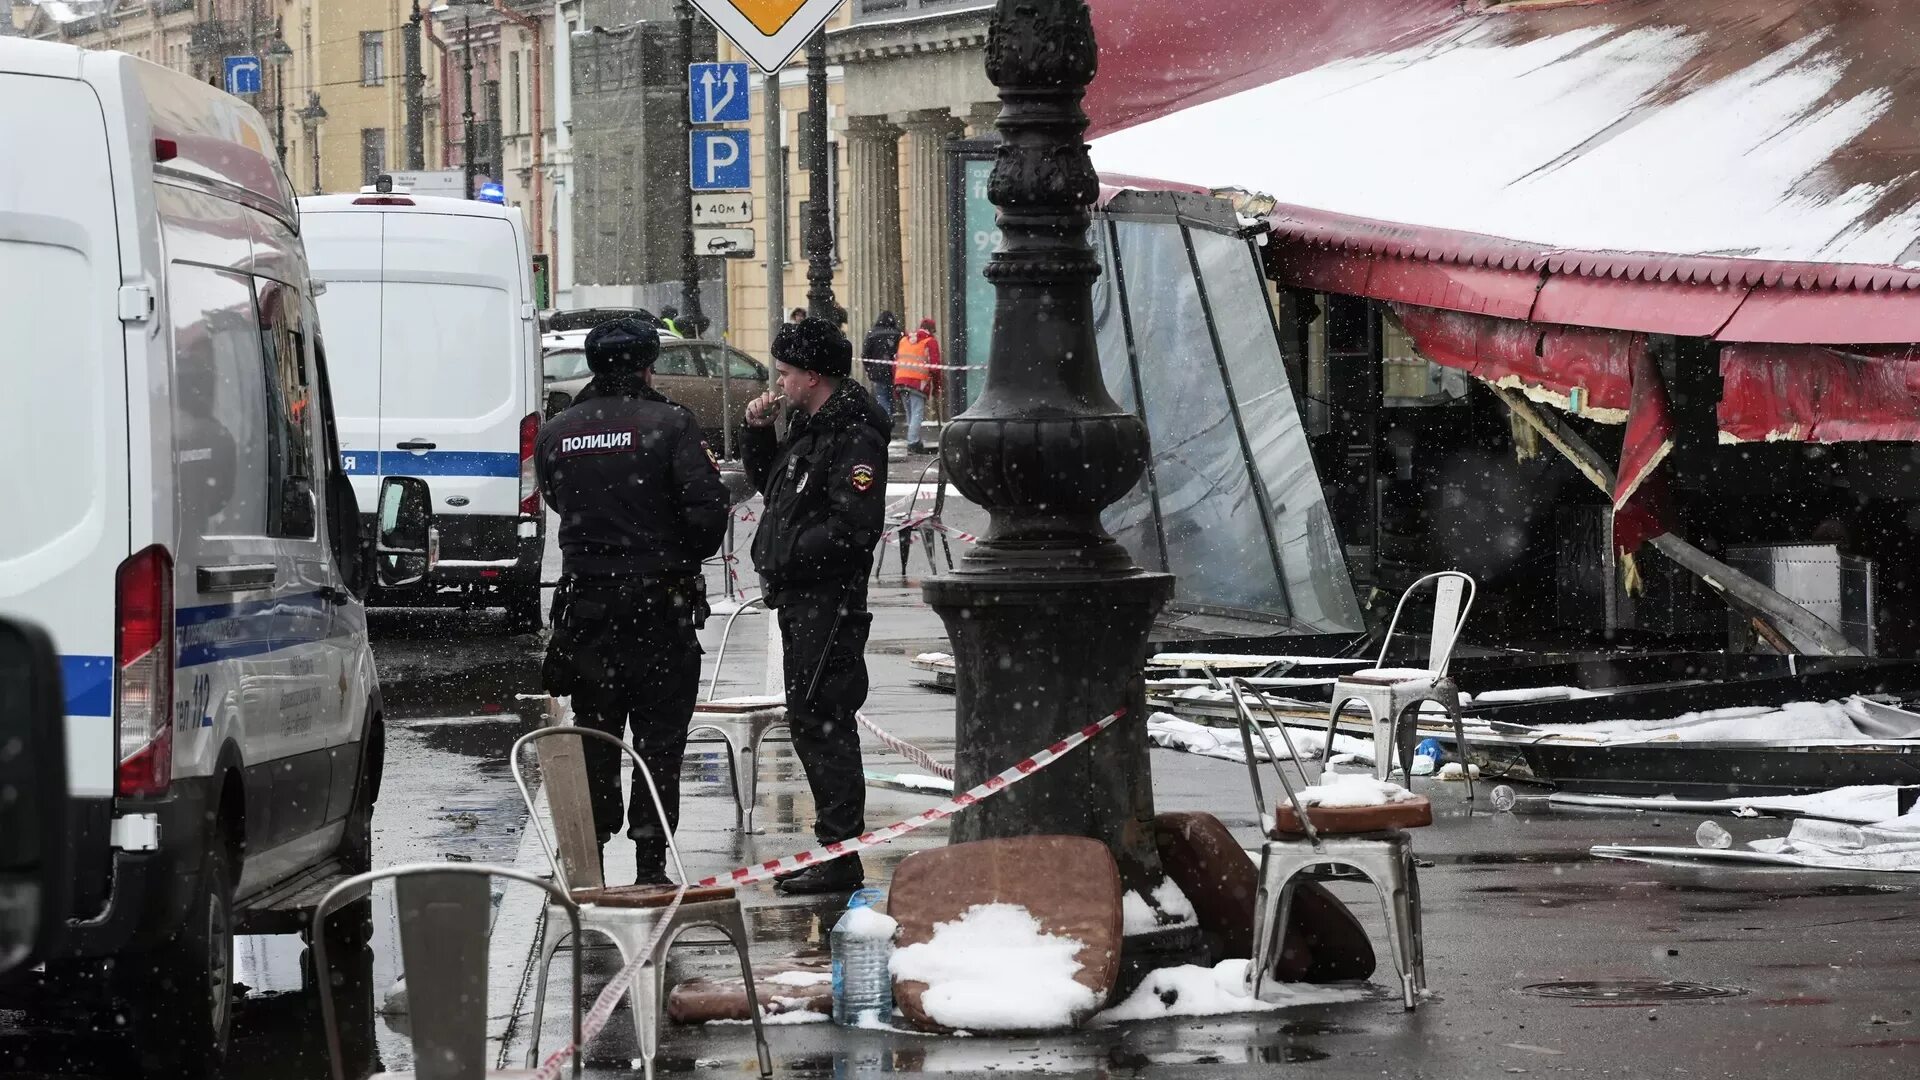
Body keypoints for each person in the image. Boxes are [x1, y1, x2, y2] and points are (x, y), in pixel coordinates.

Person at [535, 317, 729, 886]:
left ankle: (591, 853)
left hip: (587, 609)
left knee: (597, 731)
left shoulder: (560, 430)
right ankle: (650, 863)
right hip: (657, 607)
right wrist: (662, 543)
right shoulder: (670, 425)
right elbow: (707, 517)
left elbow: (556, 499)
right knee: (660, 740)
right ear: (648, 366)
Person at [742, 317, 890, 895]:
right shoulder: (812, 424)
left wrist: (788, 558)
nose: (778, 383)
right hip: (804, 596)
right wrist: (758, 431)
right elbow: (776, 490)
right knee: (810, 718)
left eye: (784, 373)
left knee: (822, 719)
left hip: (830, 601)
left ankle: (841, 851)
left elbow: (854, 527)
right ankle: (836, 847)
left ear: (812, 375)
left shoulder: (853, 433)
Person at [894, 317, 941, 454]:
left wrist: (895, 384)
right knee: (917, 413)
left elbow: (895, 363)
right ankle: (913, 443)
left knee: (910, 414)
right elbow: (935, 367)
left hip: (901, 380)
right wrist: (937, 387)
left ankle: (914, 439)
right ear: (931, 330)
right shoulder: (930, 342)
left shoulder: (904, 340)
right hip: (917, 382)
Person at [861, 311, 903, 422]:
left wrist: (869, 368)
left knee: (881, 395)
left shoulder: (872, 333)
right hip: (894, 370)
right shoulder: (897, 333)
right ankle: (890, 416)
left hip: (877, 370)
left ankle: (886, 418)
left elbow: (865, 354)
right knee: (890, 395)